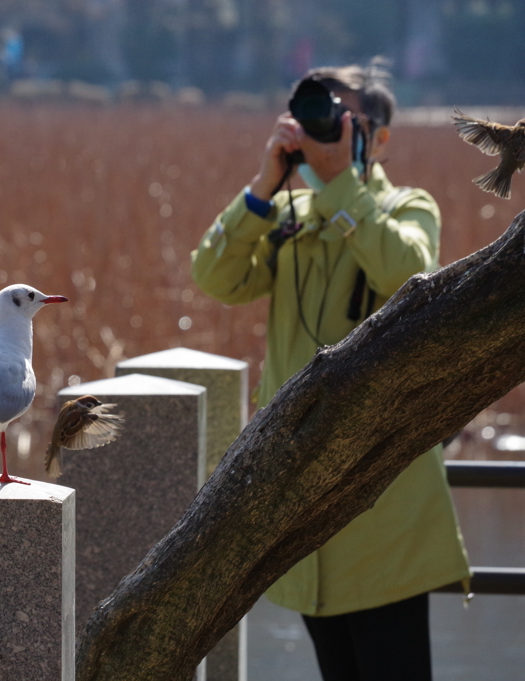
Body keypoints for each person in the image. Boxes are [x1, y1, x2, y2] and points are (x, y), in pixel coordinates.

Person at [190, 62, 471, 681]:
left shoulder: (407, 206)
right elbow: (215, 277)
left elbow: (407, 273)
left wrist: (344, 186)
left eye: (341, 120)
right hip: (305, 494)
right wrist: (264, 187)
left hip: (383, 501)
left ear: (380, 135)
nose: (326, 133)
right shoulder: (291, 214)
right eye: (317, 120)